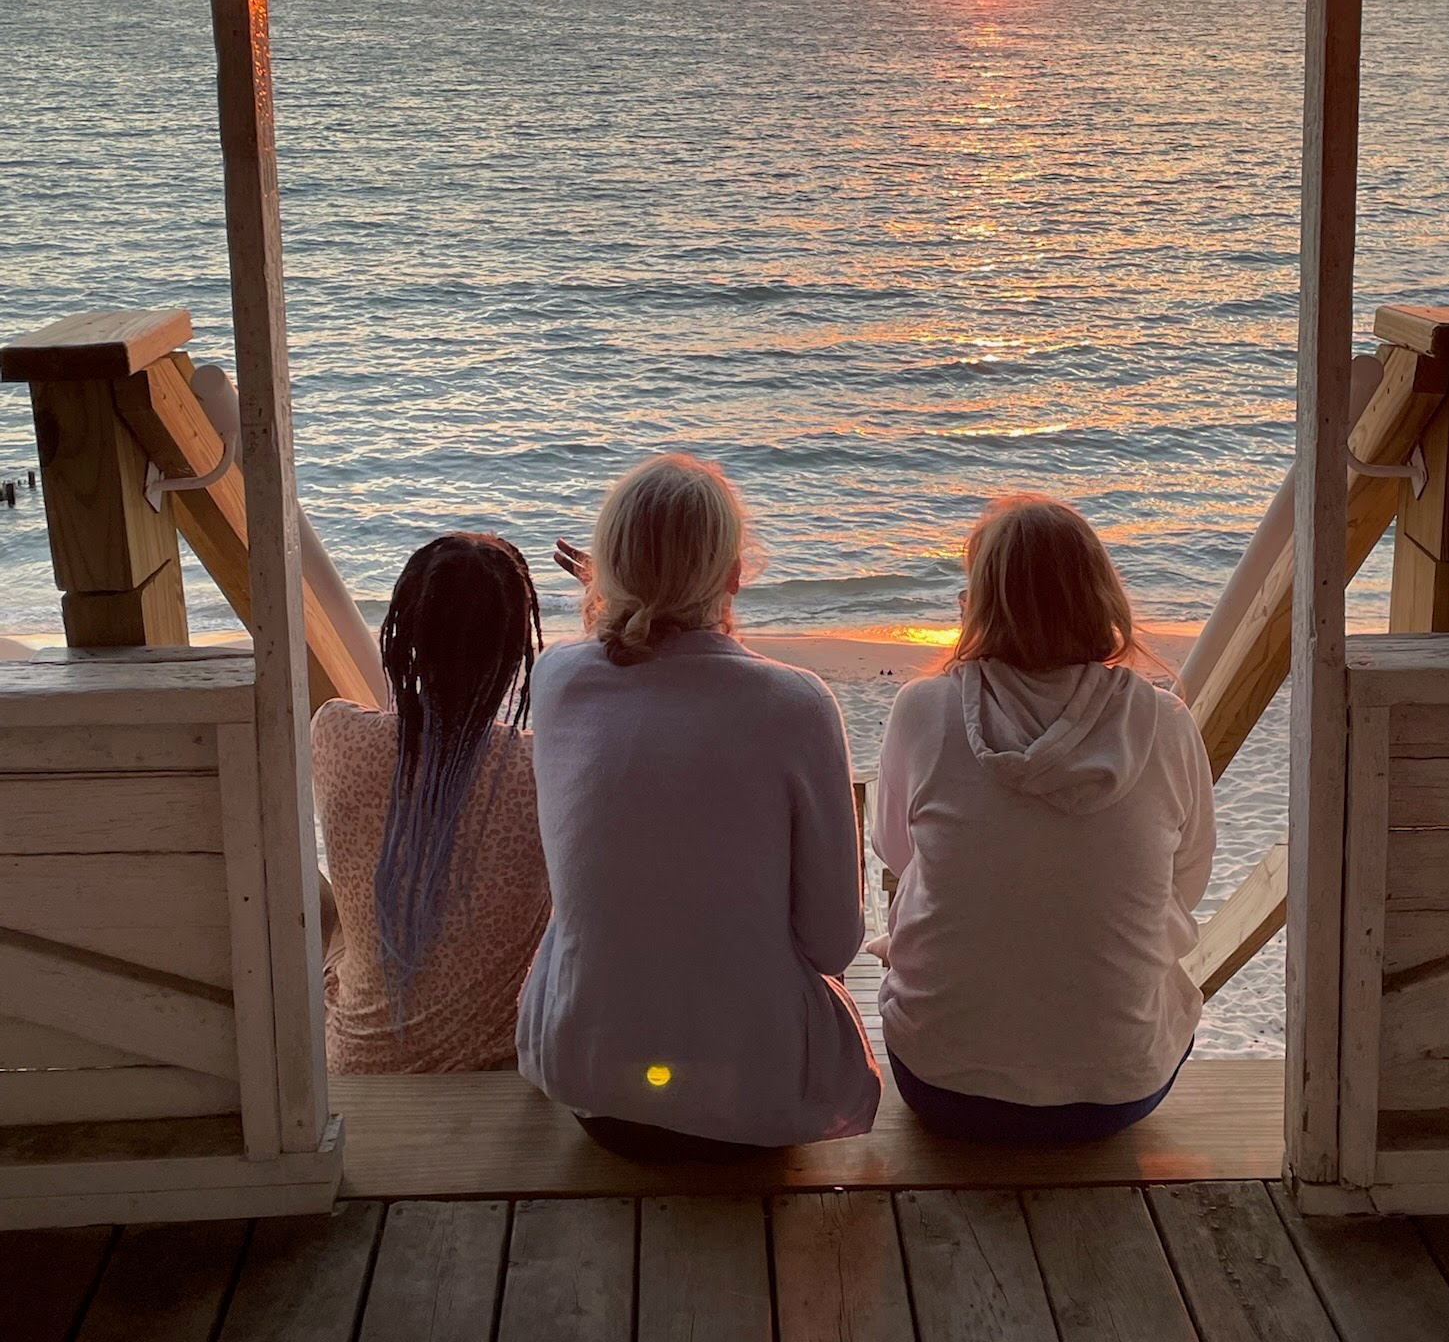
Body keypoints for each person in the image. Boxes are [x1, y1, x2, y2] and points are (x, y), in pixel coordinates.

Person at [516, 453, 880, 1158]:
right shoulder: (795, 706)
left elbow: (627, 652)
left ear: (607, 569)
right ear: (736, 575)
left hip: (593, 1083)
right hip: (754, 1101)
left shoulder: (557, 678)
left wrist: (619, 588)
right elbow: (834, 943)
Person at [871, 493, 1215, 1146]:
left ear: (976, 605)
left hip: (943, 1084)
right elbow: (1186, 883)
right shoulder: (1165, 722)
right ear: (1100, 598)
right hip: (1120, 1089)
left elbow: (895, 852)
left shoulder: (924, 709)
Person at [314, 532, 550, 1074]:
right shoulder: (542, 769)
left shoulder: (334, 732)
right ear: (516, 650)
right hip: (500, 1061)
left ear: (404, 636)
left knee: (324, 892)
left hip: (357, 1058)